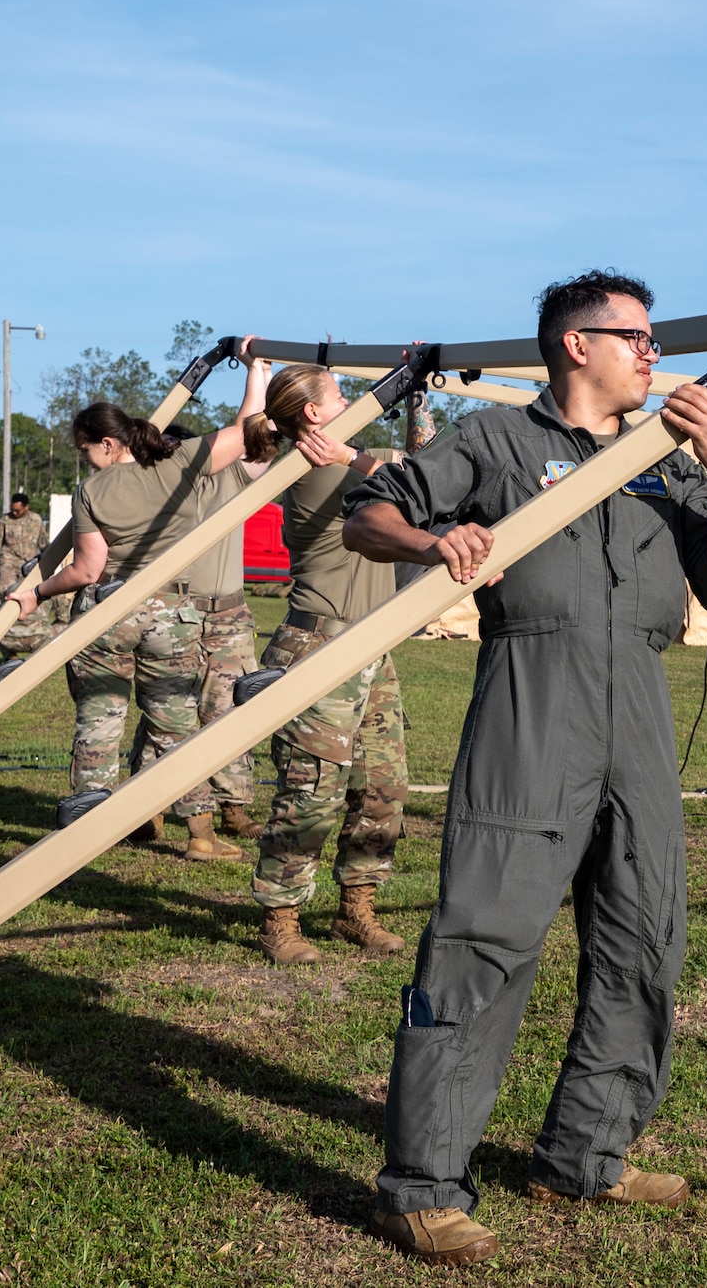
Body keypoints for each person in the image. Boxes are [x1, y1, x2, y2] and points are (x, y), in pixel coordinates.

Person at [342, 271, 707, 1265]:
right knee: (482, 940)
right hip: (532, 703)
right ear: (578, 345)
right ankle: (422, 1186)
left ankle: (587, 1154)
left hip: (640, 714)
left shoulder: (669, 462)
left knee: (643, 937)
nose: (654, 357)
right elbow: (369, 512)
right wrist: (435, 535)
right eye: (639, 339)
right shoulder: (496, 442)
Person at [8, 341, 266, 861]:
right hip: (172, 615)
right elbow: (248, 433)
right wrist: (257, 370)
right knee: (177, 723)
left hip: (107, 614)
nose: (85, 459)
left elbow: (86, 571)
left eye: (84, 450)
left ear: (107, 444)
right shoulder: (179, 465)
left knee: (100, 718)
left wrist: (35, 592)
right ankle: (199, 834)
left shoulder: (92, 493)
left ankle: (90, 824)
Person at [238, 365, 410, 966]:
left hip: (371, 648)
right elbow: (405, 482)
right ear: (313, 414)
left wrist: (418, 400)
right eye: (340, 394)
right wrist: (360, 452)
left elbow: (425, 468)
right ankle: (280, 920)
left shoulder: (347, 454)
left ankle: (355, 909)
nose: (354, 401)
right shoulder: (314, 465)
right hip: (319, 649)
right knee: (311, 794)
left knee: (381, 788)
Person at [129, 424, 264, 840]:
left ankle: (233, 806)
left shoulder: (231, 478)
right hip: (176, 614)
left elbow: (257, 437)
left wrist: (255, 371)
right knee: (167, 711)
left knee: (229, 713)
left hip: (226, 615)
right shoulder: (155, 491)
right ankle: (143, 808)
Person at [0, 493, 52, 656]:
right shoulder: (5, 520)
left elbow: (44, 543)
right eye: (13, 510)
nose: (14, 513)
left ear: (26, 507)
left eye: (18, 510)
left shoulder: (36, 520)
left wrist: (51, 561)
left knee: (29, 596)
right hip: (8, 562)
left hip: (29, 563)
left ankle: (29, 633)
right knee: (6, 594)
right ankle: (5, 637)